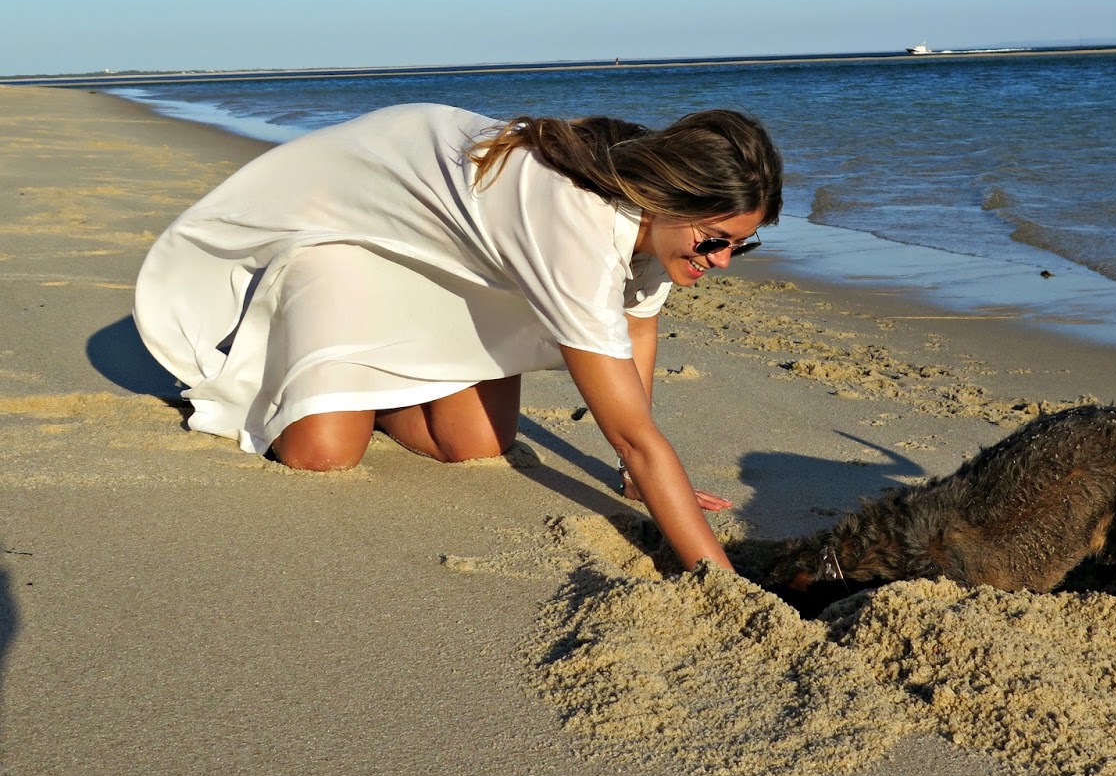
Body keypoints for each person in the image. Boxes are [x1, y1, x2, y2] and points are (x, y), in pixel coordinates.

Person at [133, 103, 782, 572]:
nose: (723, 261)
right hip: (348, 237)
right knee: (322, 453)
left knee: (474, 444)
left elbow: (638, 325)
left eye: (740, 245)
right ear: (669, 198)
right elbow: (635, 436)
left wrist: (632, 476)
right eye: (714, 241)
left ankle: (368, 393)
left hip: (450, 263)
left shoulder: (652, 227)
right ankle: (321, 381)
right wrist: (720, 582)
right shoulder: (576, 226)